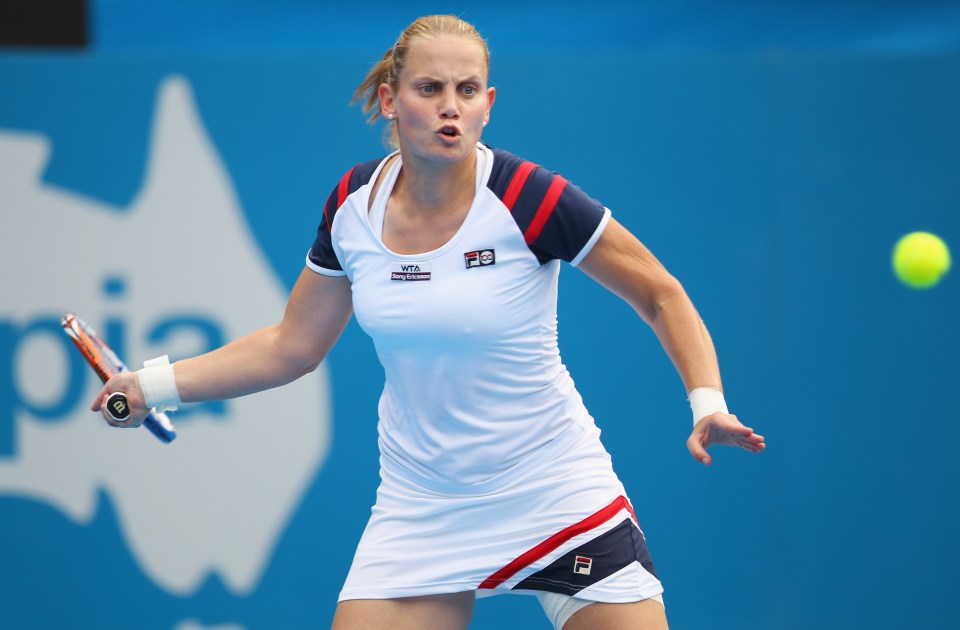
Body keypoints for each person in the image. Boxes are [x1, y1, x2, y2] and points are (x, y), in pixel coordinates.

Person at [92, 14, 765, 630]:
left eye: (469, 90)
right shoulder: (353, 205)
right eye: (431, 87)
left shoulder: (530, 196)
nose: (451, 106)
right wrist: (149, 386)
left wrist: (707, 402)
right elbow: (289, 347)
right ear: (390, 100)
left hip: (554, 489)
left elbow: (660, 294)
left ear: (488, 105)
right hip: (423, 507)